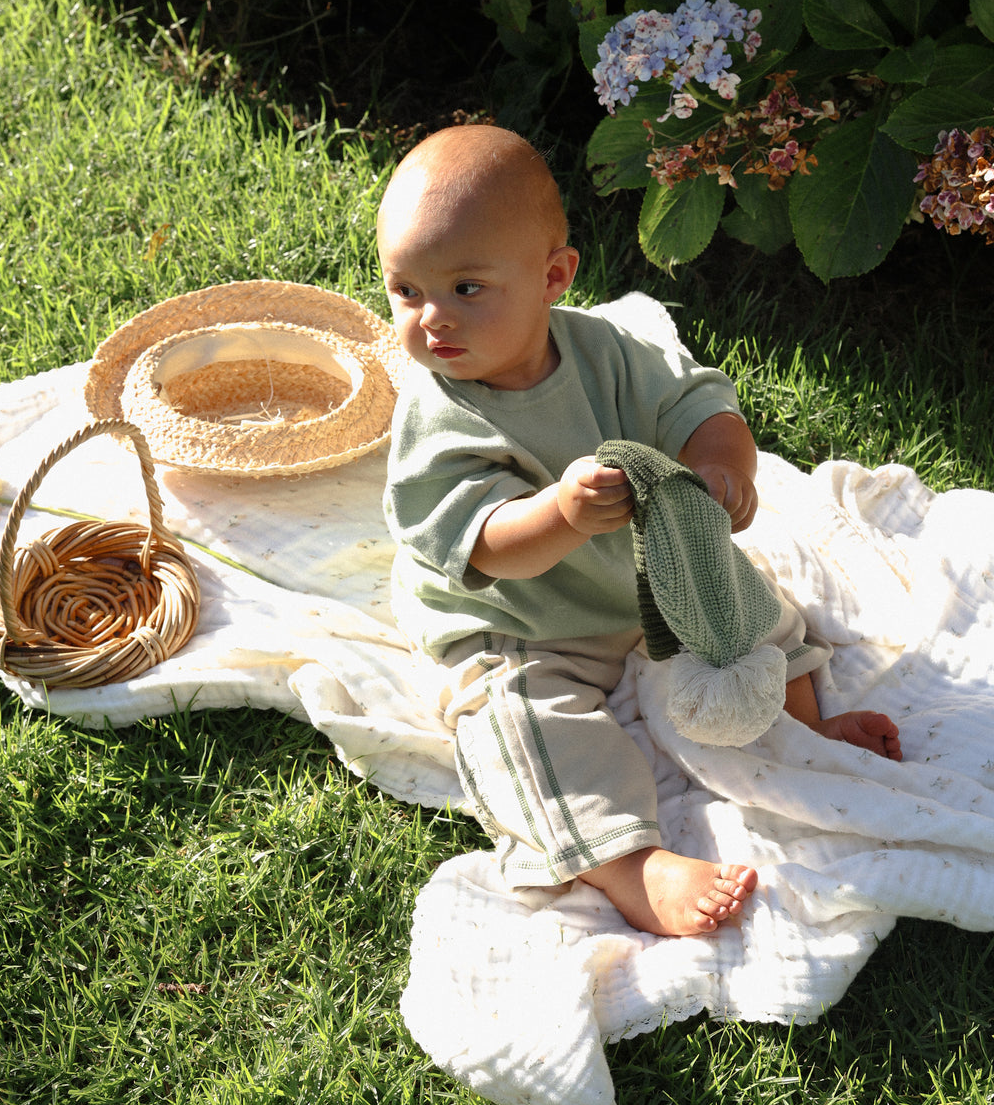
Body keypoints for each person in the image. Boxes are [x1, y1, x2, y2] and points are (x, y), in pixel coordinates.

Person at [378, 123, 901, 938]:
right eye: (407, 291)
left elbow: (700, 404)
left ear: (553, 277)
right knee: (521, 725)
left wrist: (723, 471)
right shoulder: (436, 415)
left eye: (466, 288)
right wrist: (560, 512)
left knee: (750, 599)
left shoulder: (607, 350)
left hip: (642, 574)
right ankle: (628, 863)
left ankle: (805, 725)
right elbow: (487, 546)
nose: (431, 319)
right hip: (521, 621)